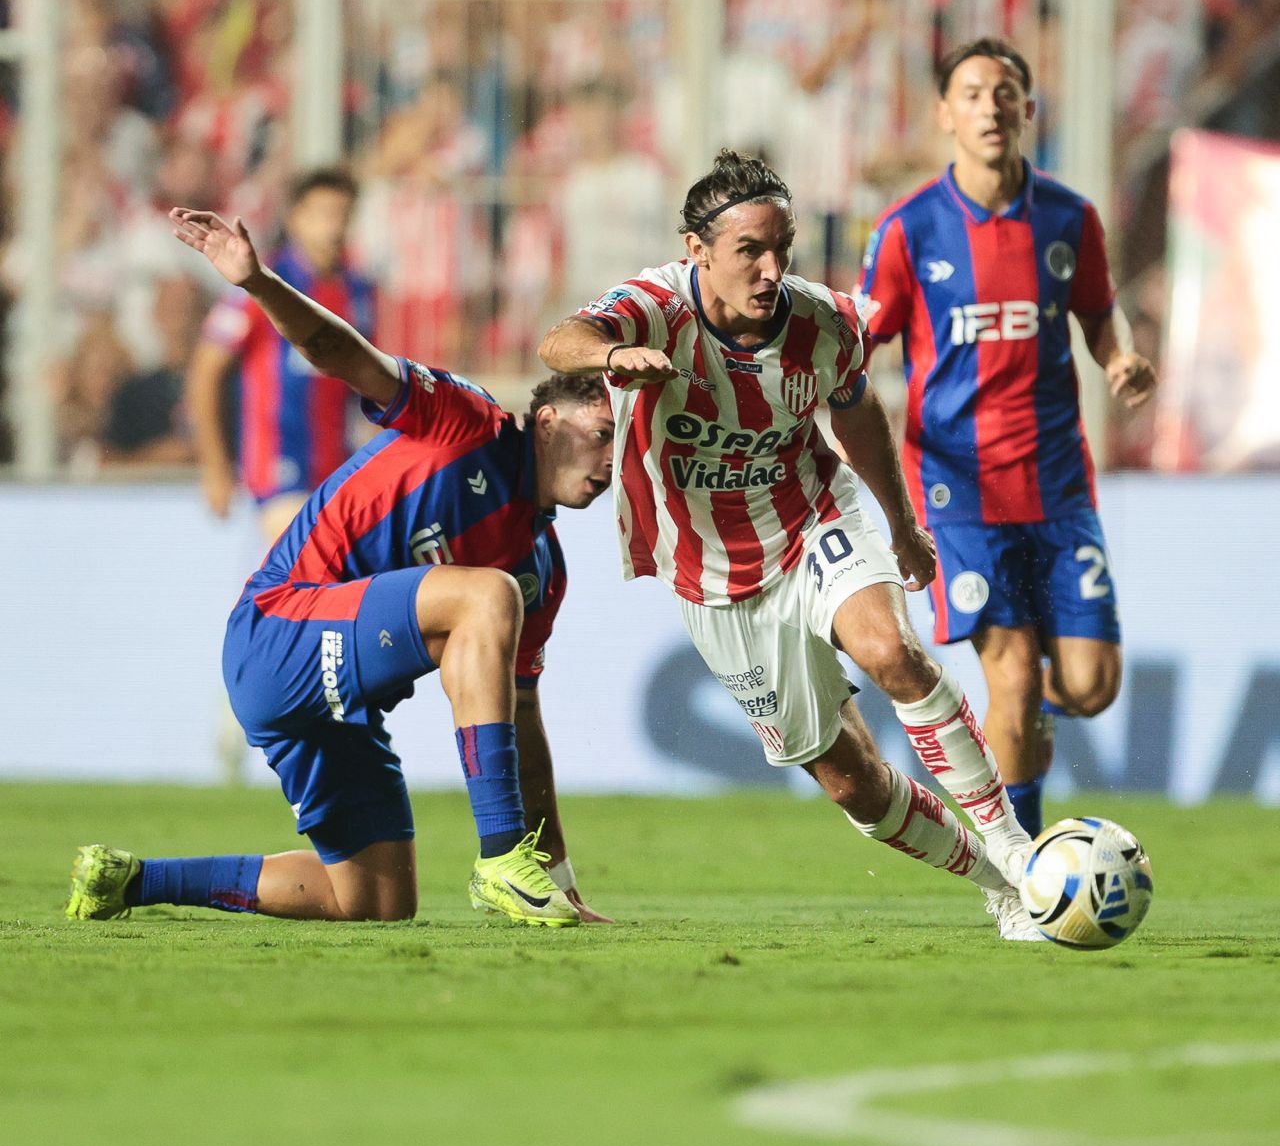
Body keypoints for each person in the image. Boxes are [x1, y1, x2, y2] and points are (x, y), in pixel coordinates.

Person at [538, 149, 1041, 942]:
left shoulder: (825, 320)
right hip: (711, 573)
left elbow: (855, 410)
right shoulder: (655, 307)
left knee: (891, 652)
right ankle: (998, 884)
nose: (771, 270)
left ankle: (1015, 848)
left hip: (812, 517)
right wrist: (612, 355)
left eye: (782, 249)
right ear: (698, 251)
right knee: (853, 784)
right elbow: (560, 341)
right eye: (750, 251)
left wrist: (901, 524)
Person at [67, 208, 615, 929]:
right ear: (548, 422)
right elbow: (338, 351)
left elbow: (523, 720)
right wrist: (259, 283)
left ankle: (130, 882)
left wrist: (560, 876)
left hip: (339, 701)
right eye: (603, 435)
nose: (612, 462)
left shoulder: (542, 567)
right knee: (487, 593)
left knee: (373, 900)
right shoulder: (467, 422)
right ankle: (498, 856)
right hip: (277, 633)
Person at [855, 37, 1158, 842]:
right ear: (944, 114)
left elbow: (1098, 311)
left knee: (1090, 685)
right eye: (972, 93)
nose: (990, 106)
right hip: (958, 490)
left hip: (1057, 482)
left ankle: (1026, 725)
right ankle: (1022, 870)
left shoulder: (1069, 217)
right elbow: (857, 342)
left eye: (1004, 91)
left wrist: (1119, 357)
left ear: (1028, 108)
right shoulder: (909, 229)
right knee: (1014, 677)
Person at [187, 167, 378, 547]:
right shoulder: (261, 283)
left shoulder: (358, 292)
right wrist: (215, 466)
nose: (335, 227)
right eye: (324, 214)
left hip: (338, 466)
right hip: (276, 469)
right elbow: (206, 370)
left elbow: (366, 381)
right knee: (313, 552)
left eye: (343, 214)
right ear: (296, 218)